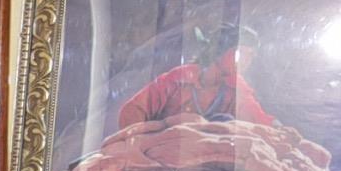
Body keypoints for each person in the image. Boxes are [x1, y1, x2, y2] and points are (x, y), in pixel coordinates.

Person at [111, 22, 274, 130]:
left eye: (251, 55)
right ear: (221, 51)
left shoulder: (237, 88)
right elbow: (132, 111)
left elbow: (259, 121)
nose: (248, 61)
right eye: (241, 53)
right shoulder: (179, 79)